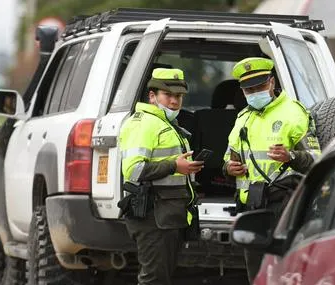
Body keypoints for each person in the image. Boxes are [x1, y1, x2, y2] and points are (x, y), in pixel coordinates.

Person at [223, 57, 321, 282]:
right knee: (256, 275)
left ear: (271, 82)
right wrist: (230, 167)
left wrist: (292, 156)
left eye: (259, 86)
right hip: (252, 207)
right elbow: (228, 157)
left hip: (284, 207)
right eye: (249, 89)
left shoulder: (294, 114)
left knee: (284, 273)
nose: (254, 93)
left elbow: (317, 160)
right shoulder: (242, 118)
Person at [118, 68, 204, 285]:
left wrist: (183, 167)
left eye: (179, 96)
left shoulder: (164, 124)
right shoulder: (144, 123)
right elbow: (134, 171)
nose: (175, 101)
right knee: (154, 279)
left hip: (166, 216)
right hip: (152, 216)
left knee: (160, 277)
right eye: (168, 95)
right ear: (152, 96)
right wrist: (174, 165)